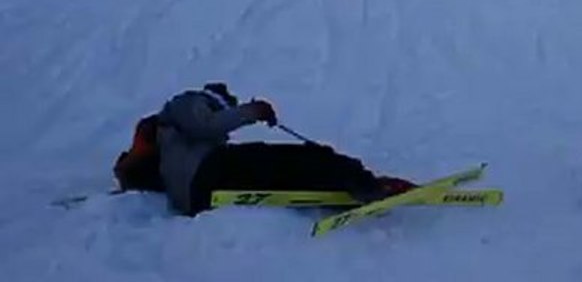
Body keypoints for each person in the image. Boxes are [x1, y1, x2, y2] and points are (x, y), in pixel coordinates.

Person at [118, 82, 413, 215]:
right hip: (208, 172)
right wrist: (253, 111)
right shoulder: (187, 102)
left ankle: (343, 189)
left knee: (280, 169)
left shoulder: (172, 144)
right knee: (303, 157)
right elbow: (207, 125)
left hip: (201, 192)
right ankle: (365, 184)